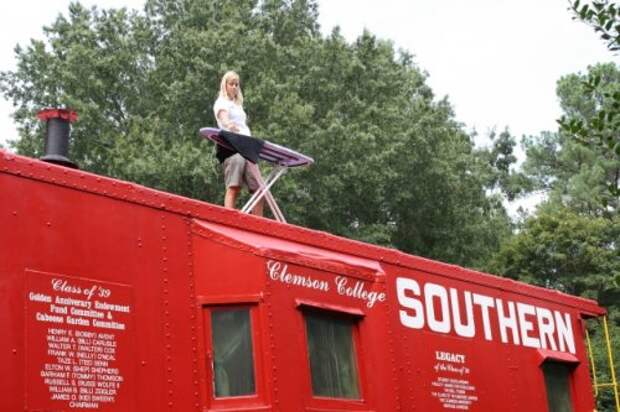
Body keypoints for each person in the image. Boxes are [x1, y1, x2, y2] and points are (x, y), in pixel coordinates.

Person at [213, 71, 264, 216]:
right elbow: (223, 117)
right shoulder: (221, 102)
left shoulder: (238, 105)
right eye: (232, 84)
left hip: (246, 146)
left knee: (259, 188)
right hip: (231, 146)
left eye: (237, 84)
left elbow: (241, 124)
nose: (235, 87)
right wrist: (229, 125)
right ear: (225, 85)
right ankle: (229, 217)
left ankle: (258, 223)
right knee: (234, 185)